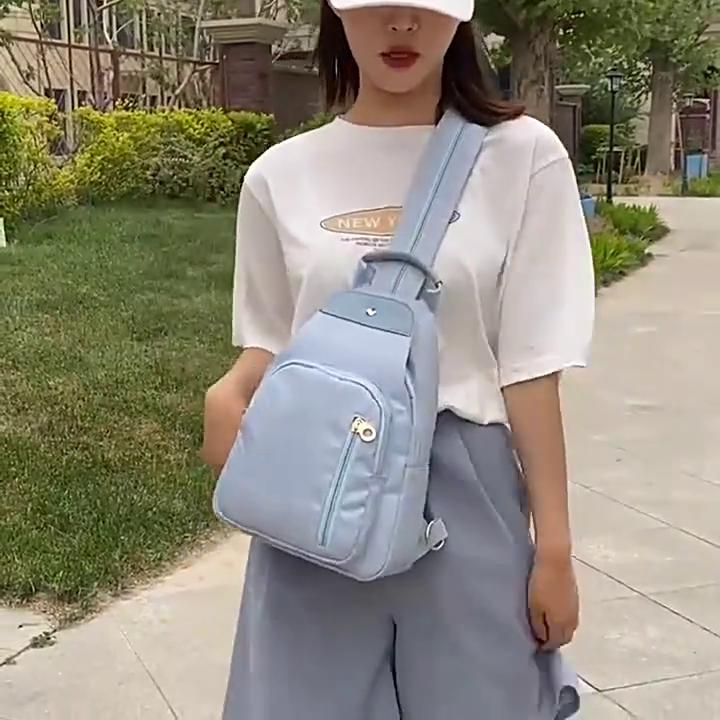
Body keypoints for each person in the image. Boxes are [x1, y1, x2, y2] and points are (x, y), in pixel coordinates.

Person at [201, 1, 595, 718]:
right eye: (377, 5)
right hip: (320, 487)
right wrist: (231, 392)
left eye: (423, 6)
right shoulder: (279, 175)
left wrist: (555, 551)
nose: (402, 24)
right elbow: (273, 341)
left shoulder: (523, 157)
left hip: (466, 486)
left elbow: (530, 371)